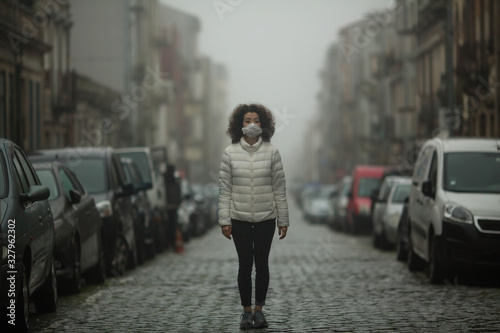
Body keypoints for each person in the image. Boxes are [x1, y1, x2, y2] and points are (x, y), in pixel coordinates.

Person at [218, 103, 289, 330]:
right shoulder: (229, 153)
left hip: (266, 218)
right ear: (239, 125)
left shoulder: (272, 152)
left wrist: (283, 220)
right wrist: (224, 220)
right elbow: (225, 189)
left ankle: (259, 311)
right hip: (238, 218)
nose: (252, 125)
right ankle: (246, 313)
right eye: (247, 120)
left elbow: (279, 187)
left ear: (264, 125)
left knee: (262, 265)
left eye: (257, 121)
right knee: (244, 265)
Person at [164, 164, 182, 252]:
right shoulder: (174, 181)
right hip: (172, 207)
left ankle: (171, 242)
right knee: (173, 225)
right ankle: (172, 242)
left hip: (170, 207)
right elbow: (178, 194)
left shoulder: (166, 180)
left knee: (171, 225)